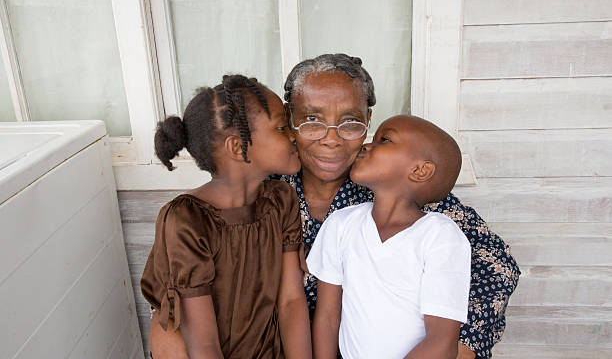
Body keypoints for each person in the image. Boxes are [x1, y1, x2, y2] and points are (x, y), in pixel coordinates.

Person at [149, 54, 520, 359]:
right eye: (311, 120)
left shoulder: (394, 187)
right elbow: (180, 300)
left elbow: (498, 270)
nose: (331, 139)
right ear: (289, 122)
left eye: (350, 122)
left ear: (368, 123)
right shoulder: (268, 190)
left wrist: (451, 347)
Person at [140, 75, 311, 358]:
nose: (294, 135)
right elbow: (203, 345)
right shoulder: (187, 220)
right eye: (282, 127)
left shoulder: (280, 200)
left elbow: (291, 302)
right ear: (236, 148)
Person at [307, 114, 471, 358]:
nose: (366, 145)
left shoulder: (440, 237)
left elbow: (441, 342)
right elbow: (328, 318)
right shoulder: (341, 224)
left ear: (420, 170)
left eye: (384, 139)